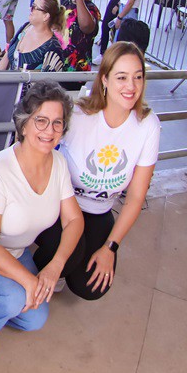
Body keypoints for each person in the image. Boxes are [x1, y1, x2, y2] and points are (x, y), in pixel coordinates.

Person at [0, 81, 83, 358]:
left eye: (57, 123)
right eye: (41, 121)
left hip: (15, 252)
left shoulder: (58, 164)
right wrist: (29, 281)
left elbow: (74, 220)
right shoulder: (0, 170)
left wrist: (53, 267)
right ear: (24, 125)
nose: (49, 131)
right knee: (16, 298)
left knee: (35, 319)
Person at [43, 42, 158, 300]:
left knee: (91, 287)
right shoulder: (80, 115)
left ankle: (68, 265)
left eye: (138, 77)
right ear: (104, 79)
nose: (131, 86)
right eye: (122, 77)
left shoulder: (148, 125)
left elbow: (136, 198)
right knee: (69, 252)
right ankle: (47, 265)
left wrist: (110, 247)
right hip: (60, 206)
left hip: (99, 212)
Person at [0, 0, 67, 73]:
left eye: (34, 7)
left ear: (46, 16)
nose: (30, 9)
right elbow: (7, 56)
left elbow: (50, 83)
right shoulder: (26, 27)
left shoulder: (53, 49)